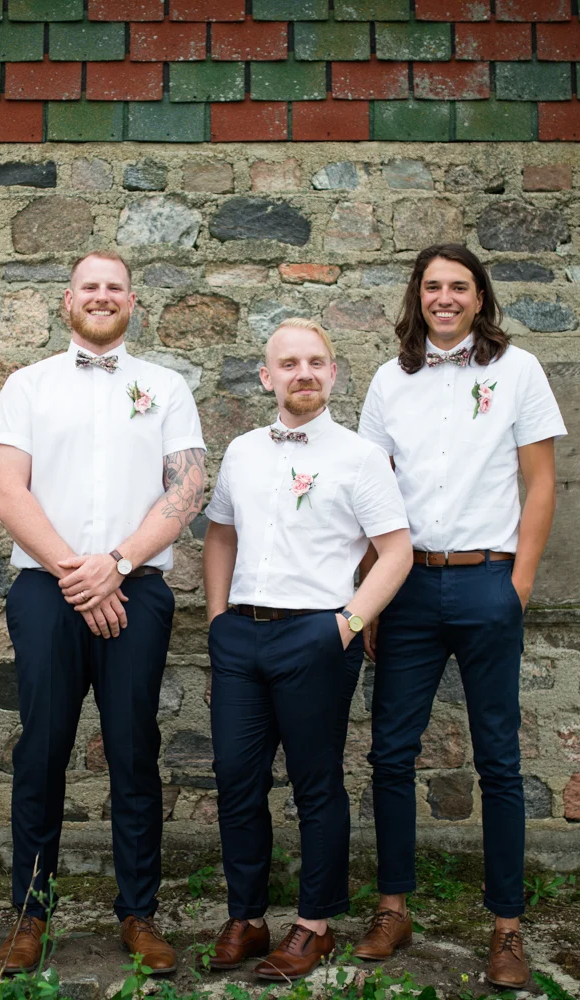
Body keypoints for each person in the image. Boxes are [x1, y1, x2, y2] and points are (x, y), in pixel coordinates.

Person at [0, 251, 206, 975]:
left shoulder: (165, 386)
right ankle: (30, 914)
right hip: (46, 588)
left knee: (134, 750)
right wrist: (77, 573)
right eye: (90, 286)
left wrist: (116, 563)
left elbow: (186, 490)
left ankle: (139, 912)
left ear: (132, 302)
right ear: (67, 300)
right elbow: (7, 492)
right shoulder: (27, 385)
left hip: (135, 587)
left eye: (115, 287)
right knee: (43, 750)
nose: (102, 296)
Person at [354, 243, 565, 990]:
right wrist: (369, 591)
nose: (445, 298)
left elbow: (541, 483)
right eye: (433, 286)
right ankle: (393, 910)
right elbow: (371, 490)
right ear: (418, 296)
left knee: (498, 760)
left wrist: (519, 585)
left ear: (480, 298)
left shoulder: (519, 371)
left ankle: (506, 927)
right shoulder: (390, 379)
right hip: (407, 585)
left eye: (460, 287)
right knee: (390, 754)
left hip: (487, 581)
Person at [200, 319, 413, 982]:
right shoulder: (242, 452)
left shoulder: (359, 456)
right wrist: (217, 620)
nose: (304, 373)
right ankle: (247, 917)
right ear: (267, 377)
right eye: (289, 363)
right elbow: (220, 534)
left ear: (333, 373)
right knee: (236, 778)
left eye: (316, 362)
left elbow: (396, 550)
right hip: (241, 635)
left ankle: (314, 926)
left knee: (316, 784)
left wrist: (347, 624)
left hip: (316, 636)